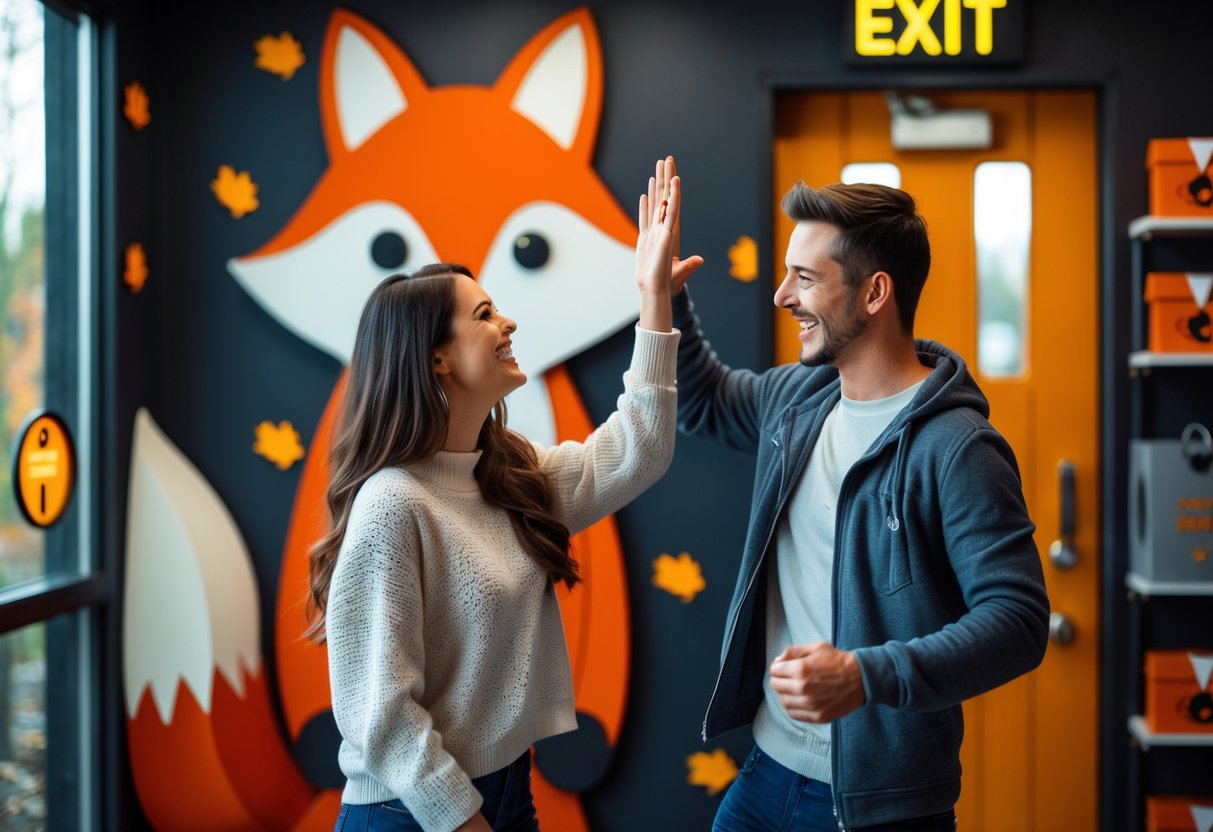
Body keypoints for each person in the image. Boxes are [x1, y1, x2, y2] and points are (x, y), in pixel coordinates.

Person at [306, 159, 694, 832]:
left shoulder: (508, 476)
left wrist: (652, 294)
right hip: (415, 811)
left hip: (507, 789)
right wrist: (461, 819)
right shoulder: (393, 505)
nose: (507, 323)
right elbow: (380, 716)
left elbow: (642, 445)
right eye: (484, 314)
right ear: (436, 359)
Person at [672, 177, 1050, 831]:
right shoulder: (797, 398)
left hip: (883, 807)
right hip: (764, 774)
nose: (781, 296)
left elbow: (1017, 621)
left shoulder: (957, 447)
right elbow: (702, 399)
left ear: (875, 292)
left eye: (804, 278)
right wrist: (663, 296)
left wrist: (864, 675)